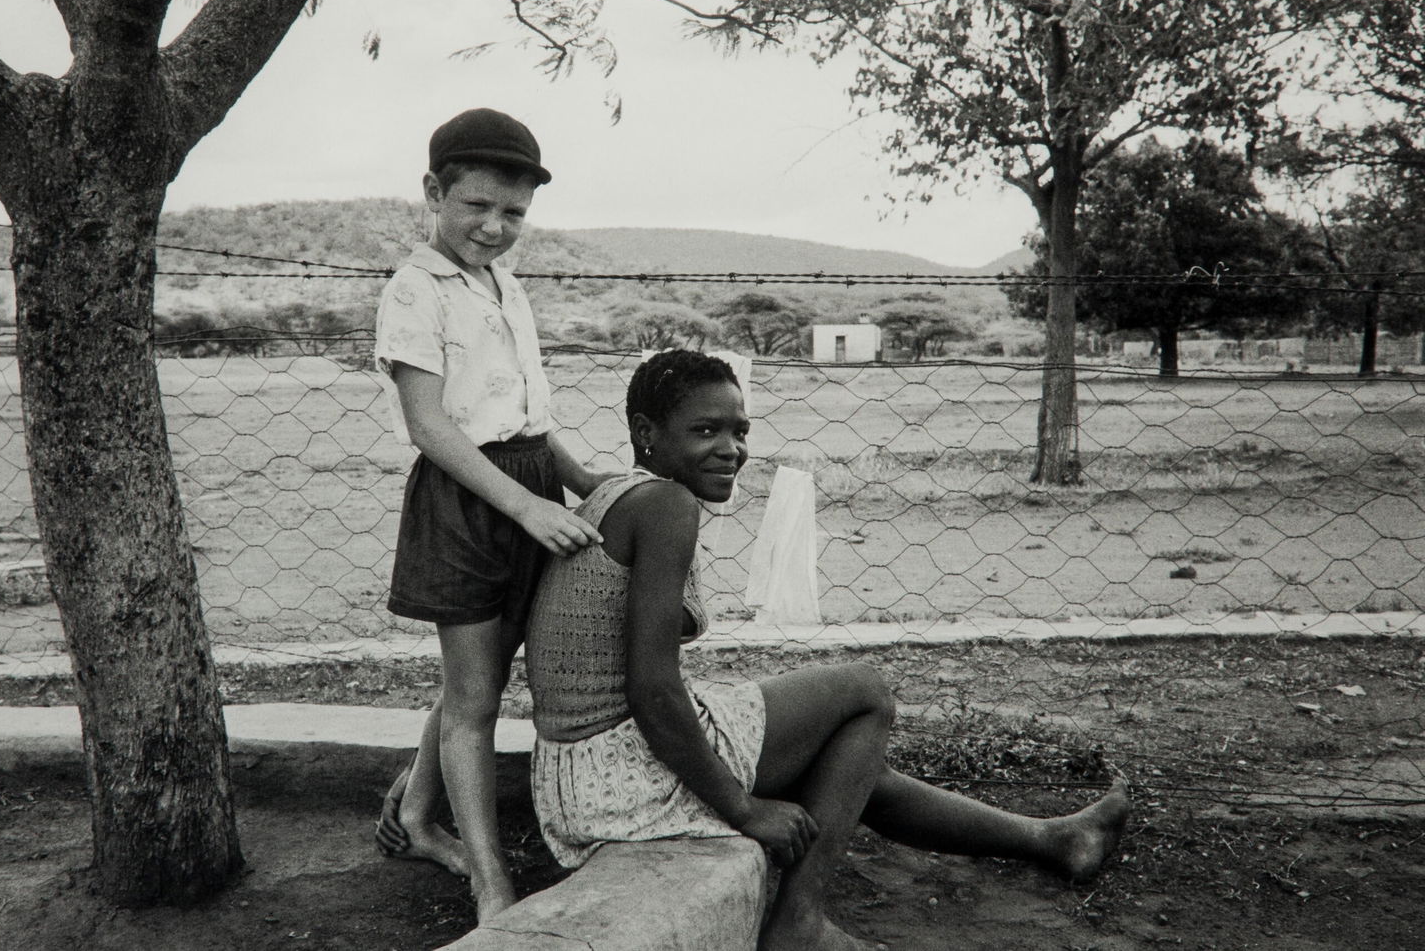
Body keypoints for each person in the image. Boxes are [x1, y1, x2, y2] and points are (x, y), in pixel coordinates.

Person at [523, 349, 1131, 950]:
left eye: (740, 431)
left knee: (849, 765)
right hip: (621, 778)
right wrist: (743, 809)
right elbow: (652, 689)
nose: (730, 448)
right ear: (645, 433)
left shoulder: (620, 494)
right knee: (865, 692)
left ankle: (1053, 839)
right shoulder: (665, 505)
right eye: (705, 430)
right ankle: (798, 925)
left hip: (573, 778)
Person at [370, 107, 607, 922]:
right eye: (476, 206)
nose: (494, 226)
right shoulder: (415, 289)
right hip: (472, 501)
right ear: (434, 193)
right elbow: (430, 424)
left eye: (513, 214)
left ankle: (414, 810)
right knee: (475, 700)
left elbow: (529, 415)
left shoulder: (504, 286)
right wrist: (529, 506)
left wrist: (584, 481)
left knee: (482, 672)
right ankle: (489, 882)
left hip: (529, 486)